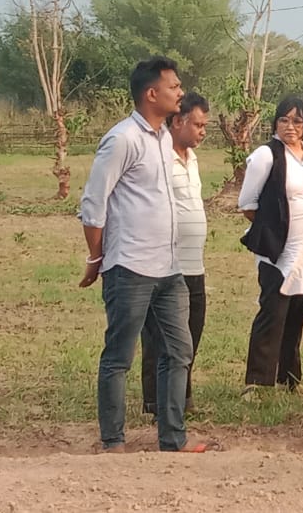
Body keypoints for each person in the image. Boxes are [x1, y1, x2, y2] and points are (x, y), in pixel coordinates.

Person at [79, 56, 211, 453]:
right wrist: (96, 257)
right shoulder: (123, 139)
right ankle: (113, 440)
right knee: (120, 354)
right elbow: (93, 203)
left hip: (169, 269)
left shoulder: (163, 140)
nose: (180, 92)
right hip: (130, 267)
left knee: (178, 350)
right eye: (174, 86)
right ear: (151, 93)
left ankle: (172, 437)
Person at [238, 97, 303, 394]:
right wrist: (275, 225)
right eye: (284, 120)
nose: (290, 127)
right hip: (278, 249)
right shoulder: (266, 154)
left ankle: (289, 379)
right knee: (272, 312)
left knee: (296, 313)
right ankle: (258, 382)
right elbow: (247, 204)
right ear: (275, 123)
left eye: (297, 121)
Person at [141, 92, 210, 415]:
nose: (203, 131)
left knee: (191, 333)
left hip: (194, 263)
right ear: (177, 121)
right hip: (166, 264)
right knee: (162, 335)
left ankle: (182, 396)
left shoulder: (191, 158)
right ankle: (156, 400)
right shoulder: (157, 157)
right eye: (197, 124)